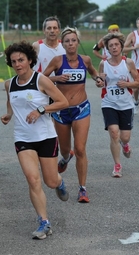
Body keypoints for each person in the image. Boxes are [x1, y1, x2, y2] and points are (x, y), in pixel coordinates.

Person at [1, 41, 70, 240]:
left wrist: (41, 110)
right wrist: (8, 115)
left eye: (21, 60)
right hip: (23, 138)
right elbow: (12, 102)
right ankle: (44, 222)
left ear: (30, 60)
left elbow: (63, 102)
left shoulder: (41, 80)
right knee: (32, 179)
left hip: (46, 137)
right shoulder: (10, 84)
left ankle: (59, 181)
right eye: (13, 61)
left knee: (49, 181)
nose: (17, 64)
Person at [43, 27, 104, 203]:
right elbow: (41, 78)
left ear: (78, 42)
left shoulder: (85, 60)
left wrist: (98, 79)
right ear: (63, 44)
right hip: (61, 111)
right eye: (67, 41)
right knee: (65, 150)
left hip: (81, 109)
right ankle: (65, 157)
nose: (70, 43)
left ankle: (82, 189)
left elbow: (93, 72)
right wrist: (57, 79)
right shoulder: (57, 61)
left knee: (80, 149)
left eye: (73, 40)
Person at [98, 33, 139, 177]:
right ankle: (117, 165)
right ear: (107, 49)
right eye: (111, 46)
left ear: (121, 46)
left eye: (116, 45)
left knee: (125, 137)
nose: (114, 47)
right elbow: (100, 83)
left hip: (126, 104)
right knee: (114, 133)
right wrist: (99, 81)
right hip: (109, 102)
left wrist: (127, 84)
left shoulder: (128, 63)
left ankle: (125, 144)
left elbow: (137, 82)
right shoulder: (103, 64)